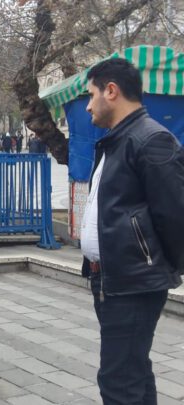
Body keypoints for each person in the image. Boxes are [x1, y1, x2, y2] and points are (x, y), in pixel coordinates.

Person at [80, 57, 184, 405]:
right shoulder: (116, 139)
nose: (88, 105)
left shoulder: (151, 139)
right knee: (133, 370)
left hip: (133, 281)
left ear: (112, 91)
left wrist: (158, 268)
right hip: (111, 278)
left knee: (118, 380)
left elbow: (175, 215)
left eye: (91, 95)